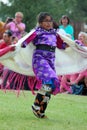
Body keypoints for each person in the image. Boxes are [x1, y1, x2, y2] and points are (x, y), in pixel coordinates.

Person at [21, 12, 64, 118]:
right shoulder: (37, 32)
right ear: (40, 23)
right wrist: (18, 46)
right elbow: (24, 41)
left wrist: (73, 46)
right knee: (50, 80)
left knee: (51, 85)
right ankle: (36, 105)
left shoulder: (55, 33)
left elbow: (61, 46)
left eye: (50, 21)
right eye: (46, 21)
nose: (49, 23)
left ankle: (41, 111)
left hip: (50, 60)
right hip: (40, 59)